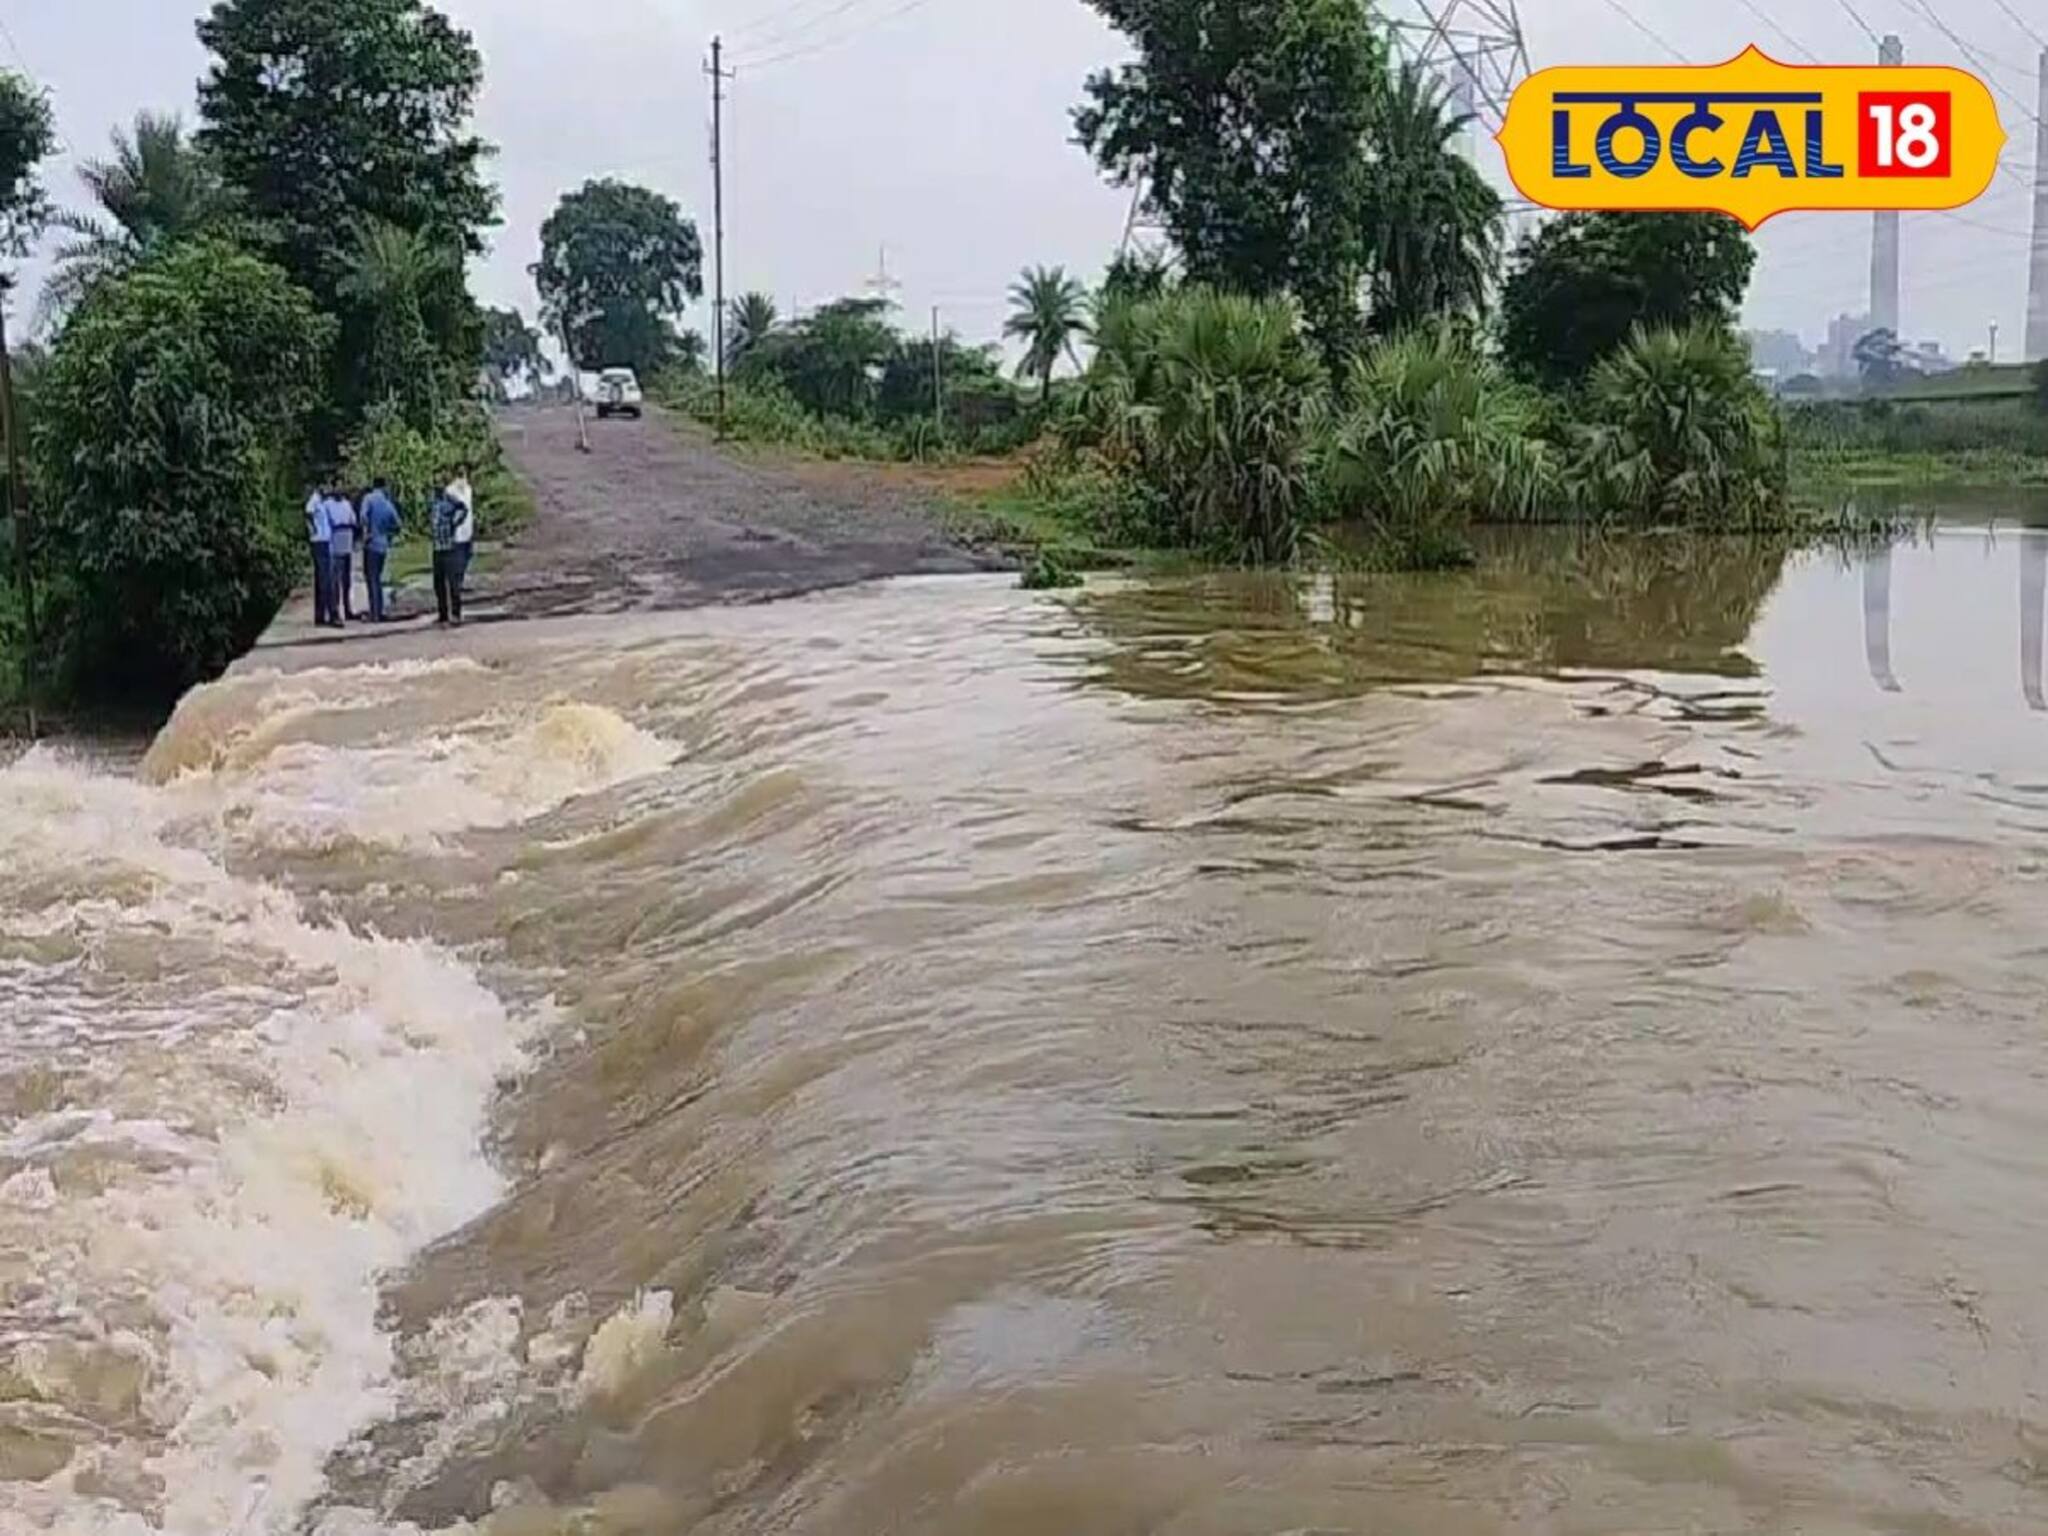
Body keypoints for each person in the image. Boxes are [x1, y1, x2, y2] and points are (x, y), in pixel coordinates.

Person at [362, 478, 402, 623]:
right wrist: (389, 534)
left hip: (371, 544)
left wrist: (367, 532)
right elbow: (398, 524)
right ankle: (379, 609)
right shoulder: (387, 503)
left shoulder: (368, 499)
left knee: (371, 578)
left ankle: (374, 613)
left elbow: (363, 516)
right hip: (383, 545)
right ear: (384, 486)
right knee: (377, 578)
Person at [430, 486, 465, 626]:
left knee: (453, 583)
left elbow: (463, 508)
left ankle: (456, 613)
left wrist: (456, 522)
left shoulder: (447, 505)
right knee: (438, 584)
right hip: (437, 548)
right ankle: (443, 614)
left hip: (449, 548)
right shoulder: (434, 505)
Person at [445, 466, 476, 621]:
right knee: (454, 577)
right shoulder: (450, 492)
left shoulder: (468, 490)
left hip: (467, 536)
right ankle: (455, 611)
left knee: (459, 575)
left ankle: (456, 609)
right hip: (456, 538)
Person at [326, 488, 360, 623]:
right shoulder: (328, 504)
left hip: (347, 543)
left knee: (346, 581)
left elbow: (353, 520)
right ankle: (334, 612)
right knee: (335, 582)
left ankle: (347, 609)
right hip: (335, 545)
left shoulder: (346, 504)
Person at [305, 486, 335, 627]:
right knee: (326, 579)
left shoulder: (322, 502)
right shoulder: (315, 500)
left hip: (324, 541)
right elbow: (308, 512)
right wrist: (314, 529)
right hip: (320, 541)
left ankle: (321, 615)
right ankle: (330, 613)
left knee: (322, 580)